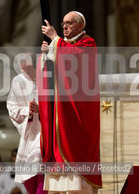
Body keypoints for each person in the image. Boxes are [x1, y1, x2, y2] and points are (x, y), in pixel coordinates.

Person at [39, 11, 102, 194]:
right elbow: (54, 73)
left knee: (75, 148)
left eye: (69, 23)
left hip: (78, 111)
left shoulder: (88, 43)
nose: (64, 26)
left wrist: (54, 40)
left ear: (81, 26)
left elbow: (73, 59)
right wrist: (46, 54)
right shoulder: (62, 44)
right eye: (63, 23)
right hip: (61, 109)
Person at [7, 53, 47, 194]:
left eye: (29, 67)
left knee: (42, 173)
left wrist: (41, 110)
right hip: (30, 133)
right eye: (23, 67)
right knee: (30, 177)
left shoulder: (46, 78)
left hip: (46, 132)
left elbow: (58, 106)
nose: (26, 70)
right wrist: (28, 110)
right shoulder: (18, 81)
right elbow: (12, 108)